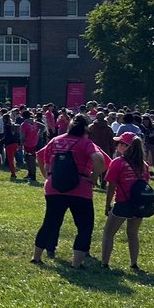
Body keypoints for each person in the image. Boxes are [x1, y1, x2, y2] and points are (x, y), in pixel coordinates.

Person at [31, 114, 105, 268]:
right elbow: (100, 161)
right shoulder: (86, 143)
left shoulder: (55, 140)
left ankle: (36, 257)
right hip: (80, 188)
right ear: (86, 128)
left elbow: (40, 156)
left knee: (49, 223)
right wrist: (94, 177)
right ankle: (76, 264)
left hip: (54, 187)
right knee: (84, 226)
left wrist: (47, 176)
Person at [101, 132, 149, 271]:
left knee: (109, 233)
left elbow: (111, 186)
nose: (117, 145)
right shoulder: (143, 164)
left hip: (123, 202)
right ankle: (134, 263)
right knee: (133, 234)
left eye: (120, 143)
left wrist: (107, 205)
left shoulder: (118, 162)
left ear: (126, 146)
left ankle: (105, 262)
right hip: (139, 203)